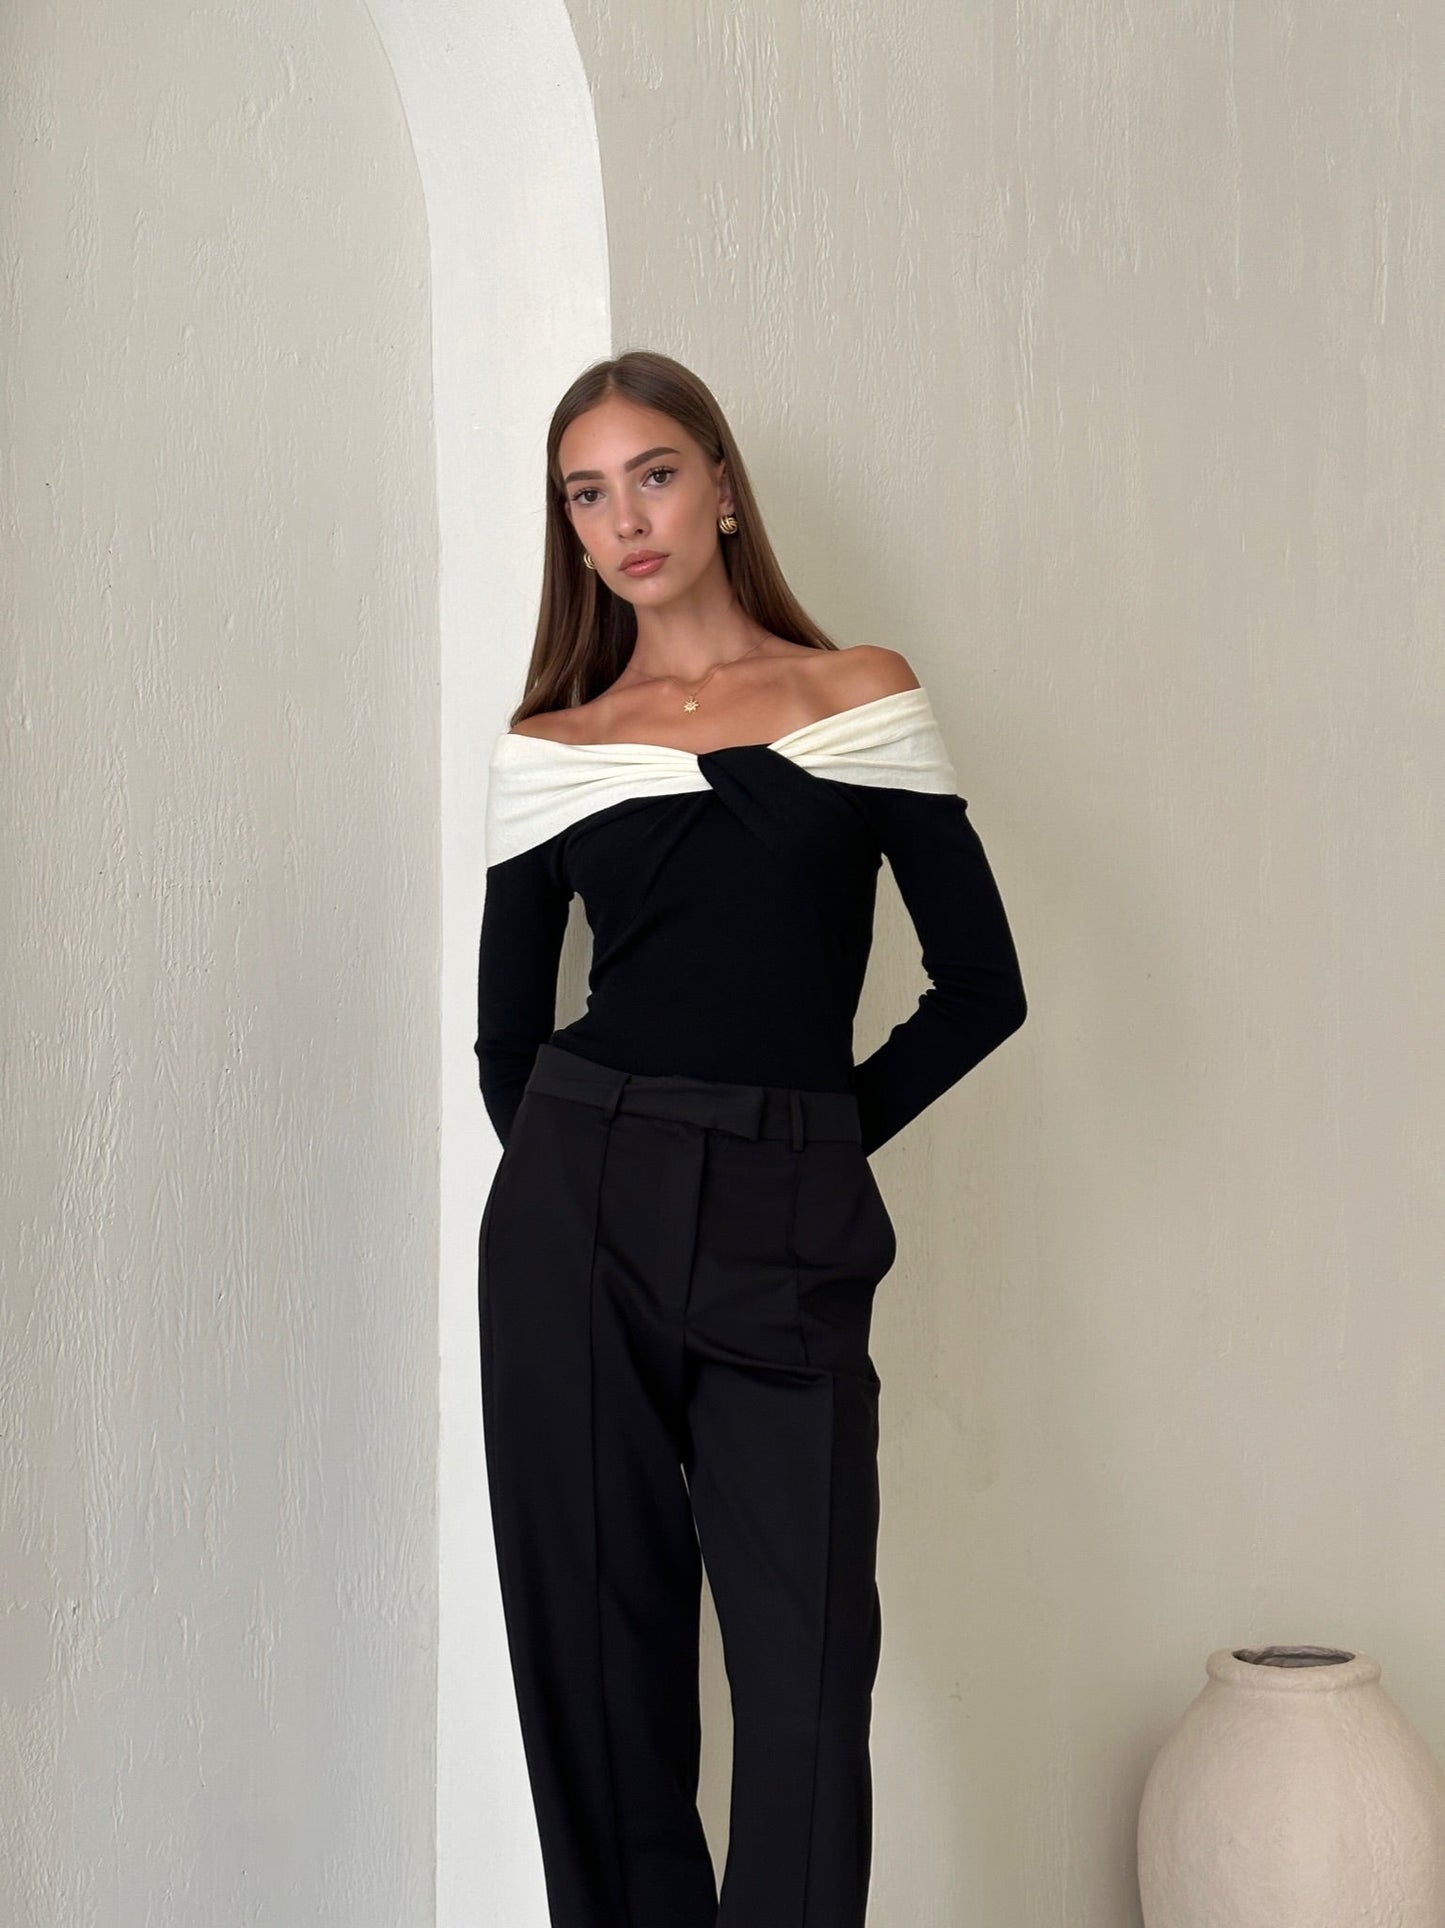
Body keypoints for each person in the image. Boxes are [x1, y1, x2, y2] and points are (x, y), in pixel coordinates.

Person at [474, 348, 1027, 1928]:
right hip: (580, 1206)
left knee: (802, 1685)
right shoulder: (553, 745)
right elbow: (509, 1045)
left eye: (651, 474)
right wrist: (592, 1184)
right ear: (571, 535)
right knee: (597, 1663)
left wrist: (806, 1145)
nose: (624, 519)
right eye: (587, 495)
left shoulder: (856, 693)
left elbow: (980, 989)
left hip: (787, 1211)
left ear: (720, 484)